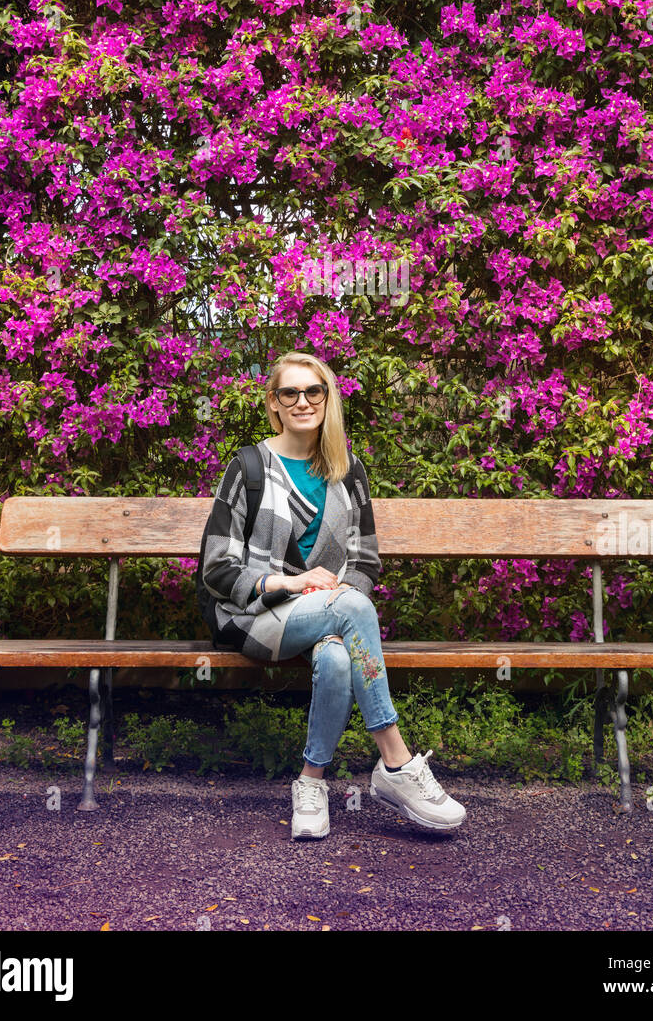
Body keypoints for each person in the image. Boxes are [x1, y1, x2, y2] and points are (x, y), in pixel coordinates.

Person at [197, 349, 466, 840]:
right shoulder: (249, 466)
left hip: (331, 614)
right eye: (290, 393)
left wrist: (338, 606)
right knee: (352, 608)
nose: (303, 401)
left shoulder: (348, 470)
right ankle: (396, 761)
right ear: (273, 403)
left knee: (341, 654)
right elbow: (216, 567)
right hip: (256, 616)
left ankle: (311, 781)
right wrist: (288, 584)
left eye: (313, 391)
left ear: (327, 398)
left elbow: (363, 559)